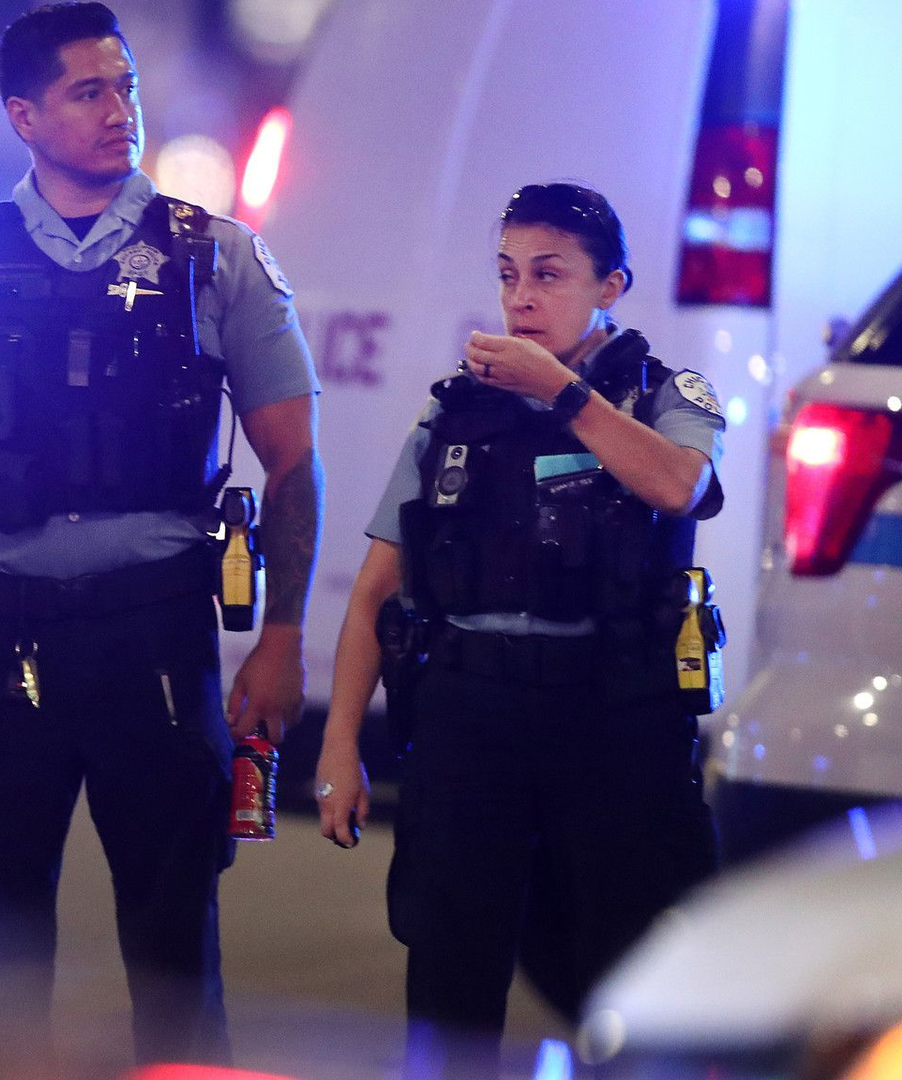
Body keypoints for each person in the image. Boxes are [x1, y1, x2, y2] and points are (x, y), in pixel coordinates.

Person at [0, 3, 321, 1066]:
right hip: (2, 635)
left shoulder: (215, 258)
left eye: (126, 86)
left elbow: (292, 460)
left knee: (173, 946)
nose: (118, 112)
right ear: (25, 115)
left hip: (158, 628)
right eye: (87, 92)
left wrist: (282, 637)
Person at [313, 182, 723, 1079]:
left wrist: (566, 395)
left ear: (610, 286)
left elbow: (677, 486)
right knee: (450, 973)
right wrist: (342, 740)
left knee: (632, 971)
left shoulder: (668, 392)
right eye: (507, 275)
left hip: (614, 714)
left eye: (548, 275)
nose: (521, 298)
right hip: (472, 714)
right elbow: (376, 592)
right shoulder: (457, 408)